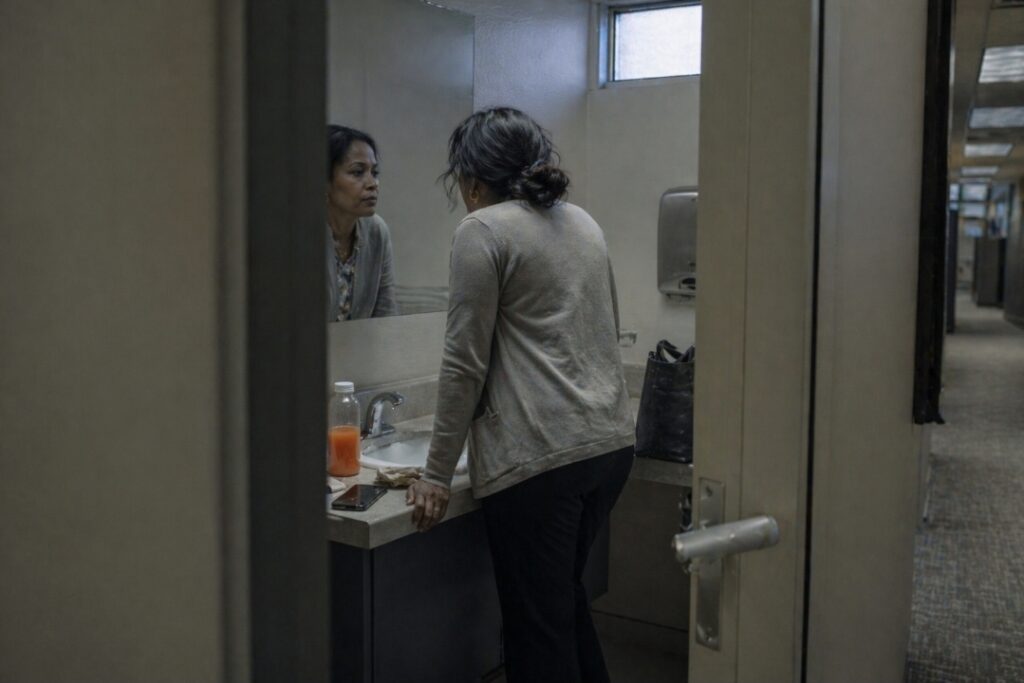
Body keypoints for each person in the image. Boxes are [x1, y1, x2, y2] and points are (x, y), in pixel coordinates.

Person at [406, 107, 635, 683]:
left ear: (473, 180)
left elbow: (464, 362)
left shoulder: (482, 230)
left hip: (542, 460)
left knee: (537, 634)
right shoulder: (582, 222)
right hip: (607, 448)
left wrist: (434, 474)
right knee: (561, 606)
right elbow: (605, 326)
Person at [326, 125, 399, 321]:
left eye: (374, 172)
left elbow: (387, 315)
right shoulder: (300, 232)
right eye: (358, 172)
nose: (372, 183)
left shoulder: (376, 231)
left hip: (363, 350)